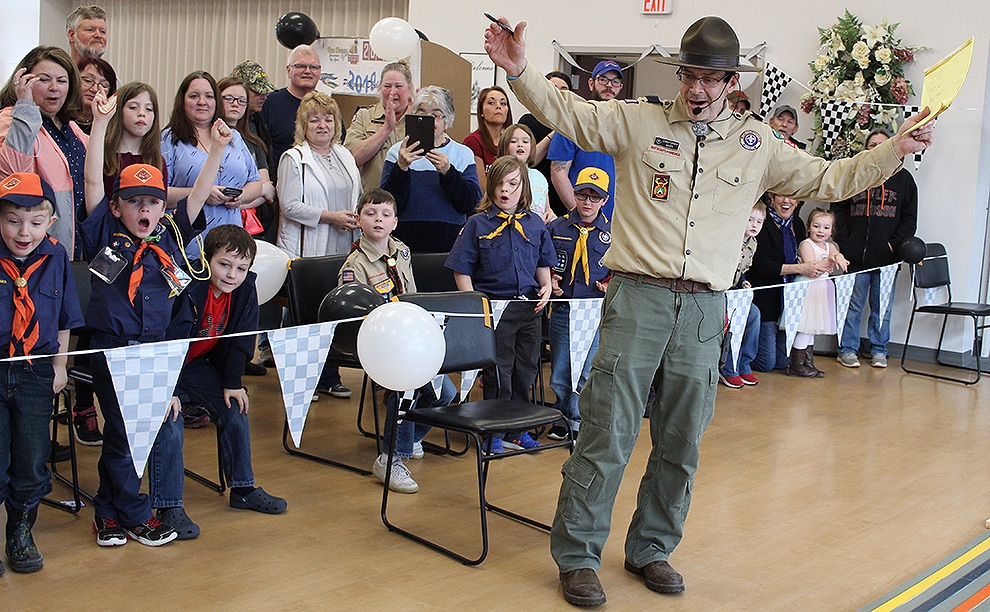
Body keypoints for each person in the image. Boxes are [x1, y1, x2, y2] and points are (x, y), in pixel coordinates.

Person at [484, 14, 934, 604]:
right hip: (637, 298)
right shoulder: (638, 120)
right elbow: (574, 114)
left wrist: (894, 150)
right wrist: (519, 72)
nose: (698, 89)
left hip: (703, 310)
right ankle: (577, 554)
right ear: (680, 76)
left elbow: (829, 177)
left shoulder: (757, 145)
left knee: (681, 438)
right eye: (690, 75)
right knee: (607, 430)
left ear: (730, 82)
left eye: (711, 78)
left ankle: (652, 548)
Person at [80, 98, 226, 546]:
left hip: (156, 352)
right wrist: (102, 123)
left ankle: (107, 511)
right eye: (133, 202)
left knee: (131, 432)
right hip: (113, 350)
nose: (144, 210)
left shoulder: (167, 240)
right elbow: (90, 180)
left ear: (163, 208)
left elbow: (198, 196)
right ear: (117, 207)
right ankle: (137, 514)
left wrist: (217, 151)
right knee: (127, 431)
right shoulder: (104, 233)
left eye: (152, 202)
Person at [150, 225, 287, 539]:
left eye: (241, 268)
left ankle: (242, 488)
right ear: (206, 260)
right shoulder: (188, 286)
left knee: (235, 406)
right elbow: (165, 339)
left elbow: (242, 339)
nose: (232, 275)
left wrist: (232, 382)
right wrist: (166, 389)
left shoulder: (245, 290)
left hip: (197, 366)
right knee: (170, 420)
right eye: (224, 265)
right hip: (165, 367)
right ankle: (168, 505)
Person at [338, 188, 456, 493]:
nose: (378, 219)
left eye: (385, 214)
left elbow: (412, 296)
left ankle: (411, 434)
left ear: (395, 222)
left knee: (446, 393)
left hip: (410, 336)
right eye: (370, 213)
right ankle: (390, 458)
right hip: (379, 342)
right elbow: (353, 318)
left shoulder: (402, 251)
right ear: (358, 220)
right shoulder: (355, 266)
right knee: (407, 386)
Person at [71, 81, 168, 447]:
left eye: (149, 109)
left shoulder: (155, 160)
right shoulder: (105, 217)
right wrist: (99, 122)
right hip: (110, 251)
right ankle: (85, 409)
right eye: (134, 107)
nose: (142, 115)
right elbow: (93, 180)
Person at [0, 173, 84, 574]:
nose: (24, 232)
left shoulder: (56, 258)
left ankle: (20, 531)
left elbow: (65, 316)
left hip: (36, 372)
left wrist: (59, 367)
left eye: (35, 222)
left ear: (50, 222)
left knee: (32, 458)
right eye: (13, 220)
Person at [445, 155, 554, 453]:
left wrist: (545, 285)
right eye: (500, 184)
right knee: (498, 371)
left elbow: (542, 261)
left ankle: (518, 428)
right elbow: (461, 268)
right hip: (494, 310)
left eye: (513, 184)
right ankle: (493, 430)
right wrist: (475, 304)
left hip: (528, 309)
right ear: (491, 186)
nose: (506, 191)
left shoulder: (533, 224)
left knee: (527, 369)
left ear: (524, 189)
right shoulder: (477, 224)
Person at [276, 91, 361, 400]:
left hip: (342, 248)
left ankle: (329, 376)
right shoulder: (293, 159)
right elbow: (289, 206)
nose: (322, 125)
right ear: (303, 124)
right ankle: (299, 381)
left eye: (328, 119)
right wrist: (329, 217)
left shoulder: (345, 155)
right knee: (304, 317)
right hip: (308, 250)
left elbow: (356, 195)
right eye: (314, 120)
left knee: (331, 313)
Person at [833, 127, 918, 369]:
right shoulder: (855, 175)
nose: (876, 149)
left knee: (883, 308)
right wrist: (845, 242)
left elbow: (909, 219)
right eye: (872, 145)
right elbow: (838, 207)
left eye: (882, 144)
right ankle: (847, 349)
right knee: (852, 305)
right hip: (854, 257)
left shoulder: (905, 180)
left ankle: (879, 349)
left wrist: (893, 244)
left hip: (887, 259)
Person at [161, 71, 262, 261]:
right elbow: (159, 193)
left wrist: (241, 197)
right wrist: (201, 193)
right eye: (194, 96)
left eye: (209, 96)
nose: (202, 101)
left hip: (230, 248)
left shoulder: (234, 137)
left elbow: (256, 183)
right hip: (189, 247)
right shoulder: (169, 140)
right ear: (182, 101)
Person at [0, 47, 87, 259]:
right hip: (32, 246)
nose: (54, 88)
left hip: (76, 244)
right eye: (44, 79)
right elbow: (12, 176)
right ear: (24, 81)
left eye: (62, 81)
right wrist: (25, 107)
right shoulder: (11, 119)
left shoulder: (72, 127)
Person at [545, 167, 611, 439]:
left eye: (594, 198)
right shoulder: (557, 227)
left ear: (604, 200)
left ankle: (578, 419)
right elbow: (543, 260)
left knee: (586, 368)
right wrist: (549, 278)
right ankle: (561, 416)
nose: (587, 203)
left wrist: (610, 283)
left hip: (594, 310)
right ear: (573, 194)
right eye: (582, 195)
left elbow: (620, 268)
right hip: (564, 307)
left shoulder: (612, 232)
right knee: (561, 367)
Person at [380, 86, 481, 253]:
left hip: (450, 246)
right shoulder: (397, 152)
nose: (428, 121)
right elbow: (387, 204)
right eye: (421, 114)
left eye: (435, 115)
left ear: (447, 121)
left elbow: (470, 202)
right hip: (404, 243)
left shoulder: (462, 154)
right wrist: (401, 168)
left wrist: (448, 172)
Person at [547, 60, 622, 220]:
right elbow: (558, 173)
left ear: (620, 87)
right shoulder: (573, 120)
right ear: (591, 83)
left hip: (619, 223)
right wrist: (581, 213)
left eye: (615, 81)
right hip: (583, 223)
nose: (609, 85)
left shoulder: (628, 124)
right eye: (603, 79)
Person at [788, 208, 849, 377]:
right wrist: (830, 259)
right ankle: (796, 364)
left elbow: (836, 255)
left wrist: (839, 257)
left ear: (831, 230)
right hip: (808, 287)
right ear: (809, 227)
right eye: (816, 226)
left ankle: (808, 362)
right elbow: (812, 266)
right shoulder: (806, 244)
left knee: (812, 328)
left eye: (826, 227)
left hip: (822, 289)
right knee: (805, 328)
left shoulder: (829, 246)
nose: (821, 231)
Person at [217, 75, 273, 238]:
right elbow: (263, 189)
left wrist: (238, 202)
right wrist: (258, 191)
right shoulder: (206, 139)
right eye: (229, 98)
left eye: (241, 100)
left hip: (244, 226)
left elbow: (268, 193)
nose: (235, 104)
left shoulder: (254, 143)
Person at [344, 62, 415, 191]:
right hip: (373, 203)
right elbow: (352, 159)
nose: (392, 92)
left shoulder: (419, 119)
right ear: (380, 88)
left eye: (398, 86)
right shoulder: (364, 116)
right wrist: (386, 128)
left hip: (409, 204)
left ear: (409, 89)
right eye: (387, 86)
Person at [230, 60, 278, 241]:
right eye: (257, 91)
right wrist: (260, 190)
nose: (264, 96)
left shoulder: (256, 130)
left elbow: (269, 190)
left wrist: (260, 191)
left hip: (255, 224)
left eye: (265, 91)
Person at [260, 44, 322, 184]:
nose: (308, 71)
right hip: (279, 187)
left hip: (319, 187)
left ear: (319, 71)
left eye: (313, 67)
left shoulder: (327, 106)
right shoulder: (270, 103)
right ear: (288, 70)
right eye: (301, 66)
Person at [719, 201, 765, 388]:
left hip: (734, 290)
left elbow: (743, 270)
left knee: (754, 314)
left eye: (759, 222)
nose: (754, 225)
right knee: (735, 319)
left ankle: (743, 363)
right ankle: (728, 368)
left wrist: (743, 282)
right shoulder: (731, 239)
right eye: (750, 220)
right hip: (719, 289)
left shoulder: (753, 244)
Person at [518, 71, 571, 216]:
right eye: (553, 87)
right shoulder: (529, 121)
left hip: (565, 194)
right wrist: (556, 132)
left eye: (564, 89)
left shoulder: (573, 125)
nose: (558, 93)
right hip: (537, 193)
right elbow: (530, 160)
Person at [497, 122, 554, 222]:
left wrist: (549, 213)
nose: (520, 145)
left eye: (525, 141)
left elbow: (546, 207)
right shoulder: (501, 173)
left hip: (538, 231)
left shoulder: (539, 176)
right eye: (514, 141)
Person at [463, 86, 512, 189]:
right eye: (491, 103)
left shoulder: (510, 141)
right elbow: (481, 188)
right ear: (481, 111)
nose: (498, 107)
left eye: (503, 103)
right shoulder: (473, 141)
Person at [74, 56, 117, 135]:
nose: (94, 89)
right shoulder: (60, 118)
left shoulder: (111, 128)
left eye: (103, 85)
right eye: (88, 81)